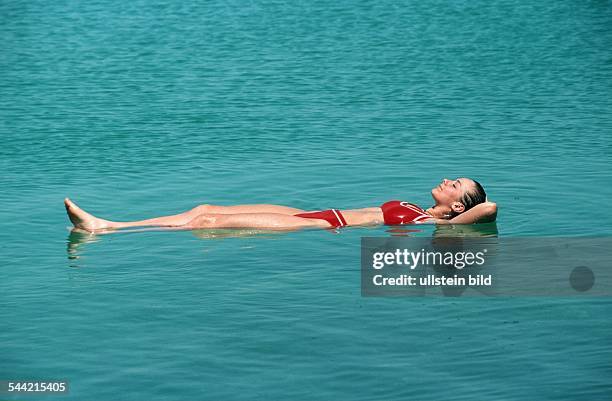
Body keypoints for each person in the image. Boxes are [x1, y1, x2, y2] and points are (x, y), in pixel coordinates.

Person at [64, 177, 497, 233]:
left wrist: (457, 218)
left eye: (454, 185)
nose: (445, 180)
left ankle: (107, 230)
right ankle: (110, 222)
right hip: (311, 210)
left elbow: (489, 208)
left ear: (459, 206)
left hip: (324, 226)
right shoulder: (416, 208)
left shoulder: (431, 224)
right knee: (205, 205)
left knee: (209, 222)